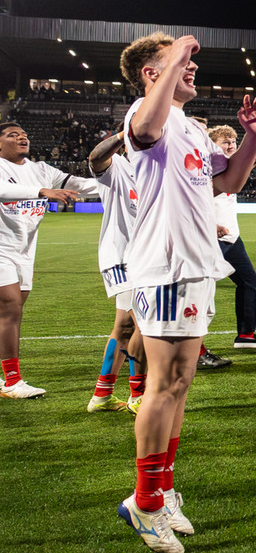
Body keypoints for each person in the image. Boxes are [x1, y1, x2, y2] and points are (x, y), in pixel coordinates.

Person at [115, 32, 256, 553]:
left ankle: (161, 489)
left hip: (199, 265)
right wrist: (177, 47)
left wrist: (251, 138)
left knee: (181, 383)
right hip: (166, 265)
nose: (192, 68)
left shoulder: (193, 128)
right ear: (150, 74)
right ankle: (144, 500)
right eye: (179, 64)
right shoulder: (146, 110)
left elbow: (226, 184)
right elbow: (143, 129)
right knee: (163, 383)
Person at [0, 120, 98, 399]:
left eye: (24, 134)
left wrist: (120, 184)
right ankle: (12, 381)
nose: (21, 138)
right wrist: (40, 191)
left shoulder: (41, 169)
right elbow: (2, 190)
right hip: (1, 249)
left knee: (10, 314)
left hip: (25, 251)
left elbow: (78, 184)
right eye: (12, 135)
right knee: (10, 307)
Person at [86, 129, 141, 413]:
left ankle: (101, 396)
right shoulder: (119, 166)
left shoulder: (158, 174)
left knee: (124, 327)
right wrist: (124, 133)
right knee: (143, 323)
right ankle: (139, 394)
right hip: (121, 258)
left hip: (148, 258)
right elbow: (96, 158)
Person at [209, 125, 256, 351]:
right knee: (199, 293)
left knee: (248, 279)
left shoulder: (230, 166)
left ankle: (246, 335)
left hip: (231, 238)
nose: (231, 145)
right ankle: (191, 347)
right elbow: (195, 200)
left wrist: (247, 164)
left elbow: (232, 186)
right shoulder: (207, 167)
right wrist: (210, 225)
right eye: (225, 142)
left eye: (233, 141)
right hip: (211, 238)